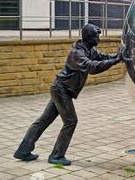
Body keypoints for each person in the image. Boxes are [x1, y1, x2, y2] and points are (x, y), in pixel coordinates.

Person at [13, 24, 122, 166]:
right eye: (96, 37)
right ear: (89, 37)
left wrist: (118, 58)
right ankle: (57, 156)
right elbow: (92, 67)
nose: (98, 39)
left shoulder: (89, 50)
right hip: (61, 90)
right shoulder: (77, 54)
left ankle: (23, 150)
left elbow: (103, 57)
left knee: (43, 121)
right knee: (71, 121)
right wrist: (114, 61)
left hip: (61, 89)